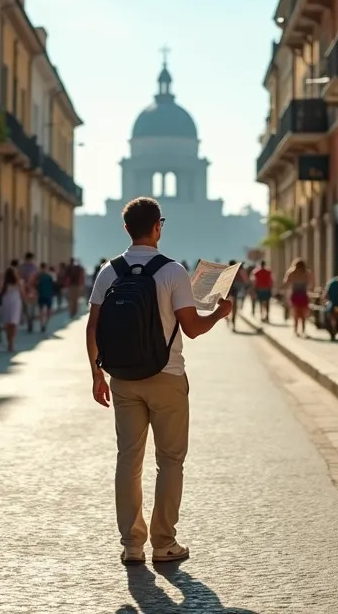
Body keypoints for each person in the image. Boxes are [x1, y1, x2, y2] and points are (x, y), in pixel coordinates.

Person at [86, 197, 233, 566]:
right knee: (169, 461)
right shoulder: (173, 271)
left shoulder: (109, 271)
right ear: (157, 227)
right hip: (166, 377)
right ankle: (164, 543)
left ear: (125, 229)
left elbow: (93, 327)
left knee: (128, 460)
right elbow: (192, 329)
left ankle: (131, 544)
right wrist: (218, 313)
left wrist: (96, 374)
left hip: (122, 378)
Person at [283, 258, 314, 337]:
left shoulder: (291, 272)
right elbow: (311, 283)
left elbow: (286, 283)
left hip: (296, 294)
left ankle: (296, 330)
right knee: (303, 314)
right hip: (302, 294)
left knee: (296, 313)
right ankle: (302, 330)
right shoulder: (306, 273)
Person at [0, 267, 25, 352]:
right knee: (12, 322)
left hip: (8, 301)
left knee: (10, 322)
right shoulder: (6, 283)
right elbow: (22, 293)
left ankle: (10, 342)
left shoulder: (16, 282)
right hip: (14, 302)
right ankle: (11, 342)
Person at [33, 262, 58, 332]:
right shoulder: (49, 276)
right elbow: (54, 285)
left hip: (42, 295)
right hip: (48, 295)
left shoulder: (39, 276)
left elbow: (35, 285)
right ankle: (44, 324)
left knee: (42, 311)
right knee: (48, 311)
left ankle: (42, 325)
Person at [19, 253, 39, 332]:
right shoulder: (34, 267)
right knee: (30, 307)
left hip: (26, 288)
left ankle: (29, 322)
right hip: (31, 289)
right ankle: (30, 322)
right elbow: (35, 278)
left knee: (27, 307)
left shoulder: (21, 267)